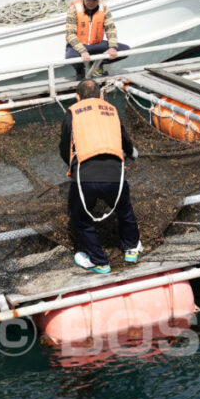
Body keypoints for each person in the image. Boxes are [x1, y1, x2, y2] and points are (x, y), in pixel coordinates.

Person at [58, 79, 143, 274]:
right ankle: (131, 249)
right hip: (115, 174)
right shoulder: (111, 109)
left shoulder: (72, 111)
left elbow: (64, 145)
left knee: (80, 217)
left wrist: (70, 165)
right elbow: (123, 137)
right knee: (125, 210)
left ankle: (100, 262)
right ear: (101, 95)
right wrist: (131, 152)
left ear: (77, 97)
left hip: (85, 176)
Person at [64, 0, 129, 80]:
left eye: (94, 0)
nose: (91, 2)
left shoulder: (104, 8)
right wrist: (82, 50)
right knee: (70, 56)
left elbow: (110, 28)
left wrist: (112, 47)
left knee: (125, 50)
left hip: (96, 44)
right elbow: (70, 33)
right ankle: (80, 70)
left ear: (98, 0)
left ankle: (97, 64)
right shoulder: (74, 9)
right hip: (79, 44)